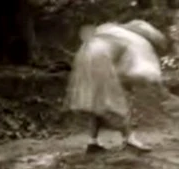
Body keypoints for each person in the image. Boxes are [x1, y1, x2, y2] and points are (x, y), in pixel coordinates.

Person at [65, 20, 167, 154]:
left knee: (97, 105)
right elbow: (138, 71)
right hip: (102, 63)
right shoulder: (137, 42)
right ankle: (130, 139)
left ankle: (92, 141)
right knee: (119, 104)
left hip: (84, 58)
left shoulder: (111, 28)